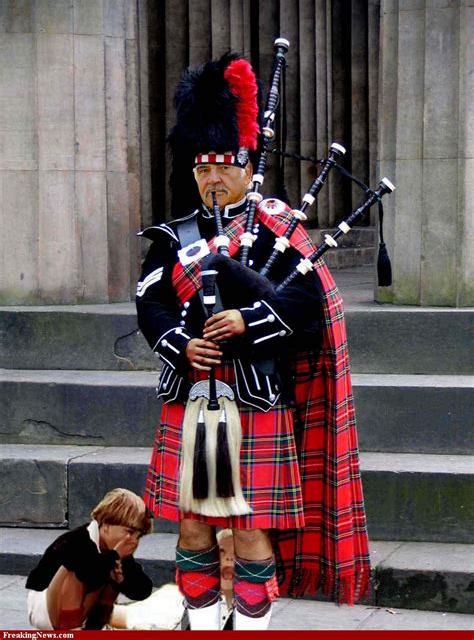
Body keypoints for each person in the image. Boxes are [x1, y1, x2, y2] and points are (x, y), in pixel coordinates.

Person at [137, 53, 370, 630]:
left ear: (246, 168)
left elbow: (310, 309)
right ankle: (202, 619)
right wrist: (179, 344)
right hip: (190, 394)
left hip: (257, 397)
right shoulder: (175, 236)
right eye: (201, 170)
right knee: (194, 524)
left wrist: (247, 324)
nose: (211, 180)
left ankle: (251, 627)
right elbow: (150, 301)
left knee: (249, 525)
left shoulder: (279, 227)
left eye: (223, 169)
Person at [25, 488, 153, 630]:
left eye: (139, 536)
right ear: (106, 525)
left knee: (112, 571)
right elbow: (85, 573)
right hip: (44, 605)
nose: (134, 541)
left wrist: (122, 579)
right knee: (79, 569)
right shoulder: (77, 540)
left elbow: (143, 589)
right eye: (129, 532)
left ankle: (94, 628)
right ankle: (69, 629)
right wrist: (113, 557)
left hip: (82, 604)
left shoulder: (117, 550)